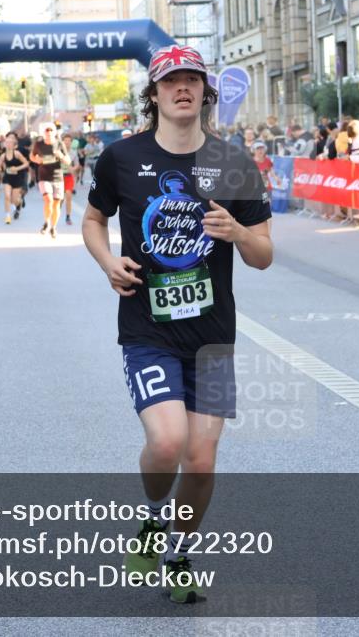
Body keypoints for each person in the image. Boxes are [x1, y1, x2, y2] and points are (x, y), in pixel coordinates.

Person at [82, 44, 272, 605]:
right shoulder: (121, 158)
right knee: (167, 443)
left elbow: (263, 254)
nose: (182, 88)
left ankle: (177, 552)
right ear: (155, 94)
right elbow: (93, 221)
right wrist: (107, 261)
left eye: (192, 80)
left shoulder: (235, 162)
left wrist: (237, 233)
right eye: (170, 82)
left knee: (203, 459)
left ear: (205, 93)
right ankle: (151, 519)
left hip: (213, 336)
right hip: (148, 328)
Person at [30, 124, 70, 238]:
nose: (49, 132)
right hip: (44, 176)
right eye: (46, 130)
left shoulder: (59, 144)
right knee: (48, 200)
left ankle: (53, 227)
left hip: (57, 177)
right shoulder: (39, 144)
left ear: (54, 132)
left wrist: (61, 155)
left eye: (51, 130)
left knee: (57, 203)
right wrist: (36, 160)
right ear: (44, 133)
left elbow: (68, 161)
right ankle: (47, 222)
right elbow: (32, 156)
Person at [0, 132, 29, 224]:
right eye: (6, 143)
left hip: (18, 178)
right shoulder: (3, 156)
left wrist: (17, 168)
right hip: (8, 178)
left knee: (14, 200)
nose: (8, 144)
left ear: (14, 145)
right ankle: (8, 216)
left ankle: (19, 202)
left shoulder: (17, 154)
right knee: (7, 196)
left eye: (10, 143)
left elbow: (26, 163)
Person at [62, 132, 80, 225]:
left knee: (68, 196)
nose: (67, 143)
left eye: (69, 141)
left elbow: (77, 164)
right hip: (59, 177)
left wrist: (73, 168)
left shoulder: (73, 153)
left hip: (68, 176)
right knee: (60, 198)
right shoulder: (59, 151)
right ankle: (54, 214)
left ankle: (68, 216)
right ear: (63, 142)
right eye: (65, 141)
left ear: (71, 142)